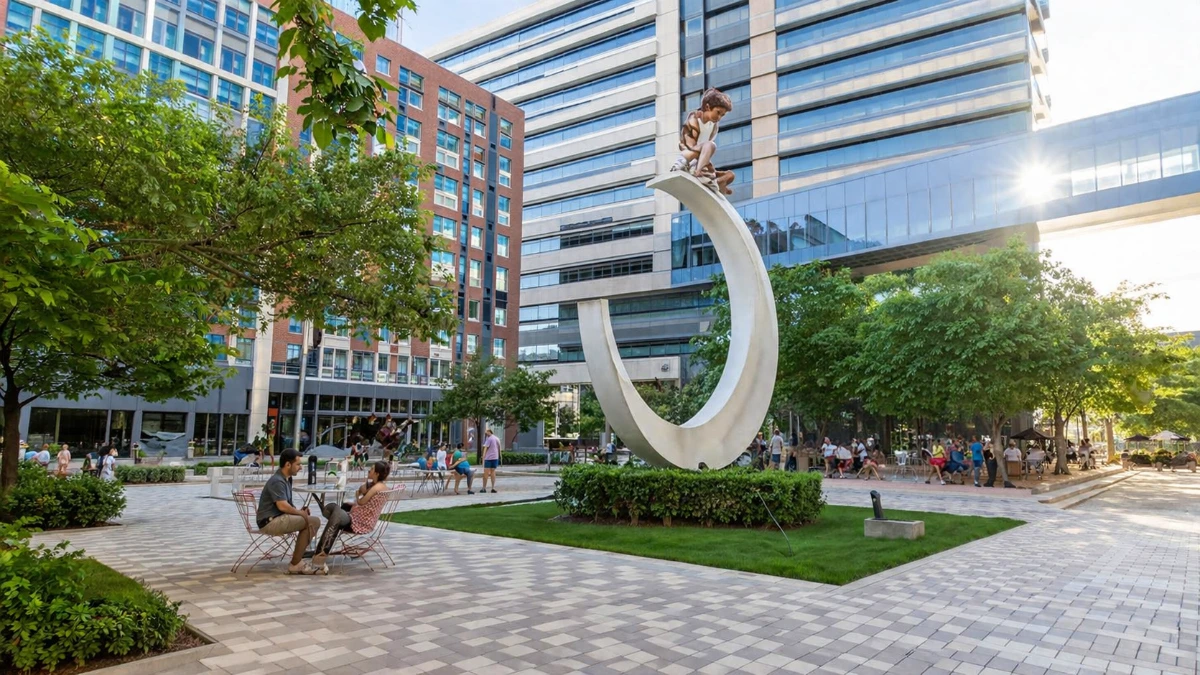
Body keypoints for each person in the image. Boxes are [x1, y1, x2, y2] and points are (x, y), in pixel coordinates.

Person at [311, 460, 391, 571]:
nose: (369, 470)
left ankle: (320, 553)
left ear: (377, 473)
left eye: (372, 469)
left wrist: (358, 495)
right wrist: (366, 486)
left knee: (336, 512)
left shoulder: (375, 488)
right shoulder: (380, 486)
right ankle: (321, 551)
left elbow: (361, 502)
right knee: (338, 510)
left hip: (358, 523)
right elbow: (363, 490)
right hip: (363, 520)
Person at [255, 448, 323, 575]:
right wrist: (300, 514)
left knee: (311, 520)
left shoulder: (286, 479)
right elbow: (282, 506)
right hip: (269, 521)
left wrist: (300, 511)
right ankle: (296, 563)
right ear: (287, 464)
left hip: (278, 518)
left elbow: (287, 505)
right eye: (298, 464)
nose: (301, 468)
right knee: (313, 522)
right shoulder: (277, 481)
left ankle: (297, 561)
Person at [671, 88, 737, 195]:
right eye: (718, 113)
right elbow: (689, 145)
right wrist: (698, 164)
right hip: (689, 155)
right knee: (710, 145)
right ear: (707, 107)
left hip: (701, 157)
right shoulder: (695, 118)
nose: (719, 117)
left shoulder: (714, 125)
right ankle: (697, 172)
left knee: (730, 175)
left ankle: (717, 182)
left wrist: (706, 163)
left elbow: (706, 151)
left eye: (722, 115)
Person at [480, 428, 501, 493]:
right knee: (493, 472)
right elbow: (499, 448)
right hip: (495, 457)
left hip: (488, 458)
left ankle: (484, 488)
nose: (485, 434)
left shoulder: (489, 439)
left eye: (486, 432)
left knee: (486, 473)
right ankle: (493, 487)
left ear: (489, 432)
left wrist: (483, 456)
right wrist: (499, 456)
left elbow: (485, 448)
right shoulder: (497, 438)